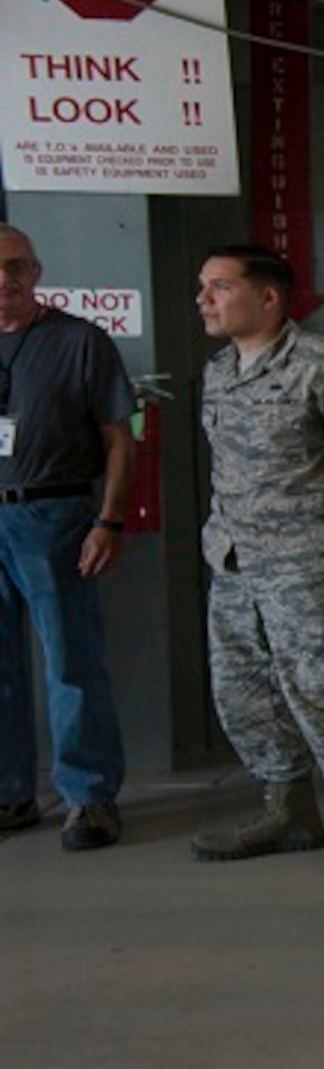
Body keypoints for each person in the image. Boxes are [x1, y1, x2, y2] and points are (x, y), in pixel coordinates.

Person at [187, 244, 324, 893]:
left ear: (267, 298)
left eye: (218, 286)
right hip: (233, 559)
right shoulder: (220, 371)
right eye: (202, 287)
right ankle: (288, 811)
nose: (203, 299)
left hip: (306, 560)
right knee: (244, 690)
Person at [0, 223, 135, 852]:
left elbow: (118, 438)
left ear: (37, 272)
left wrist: (108, 521)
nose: (5, 280)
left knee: (71, 661)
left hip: (53, 517)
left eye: (17, 267)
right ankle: (10, 792)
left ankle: (88, 797)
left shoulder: (81, 341)